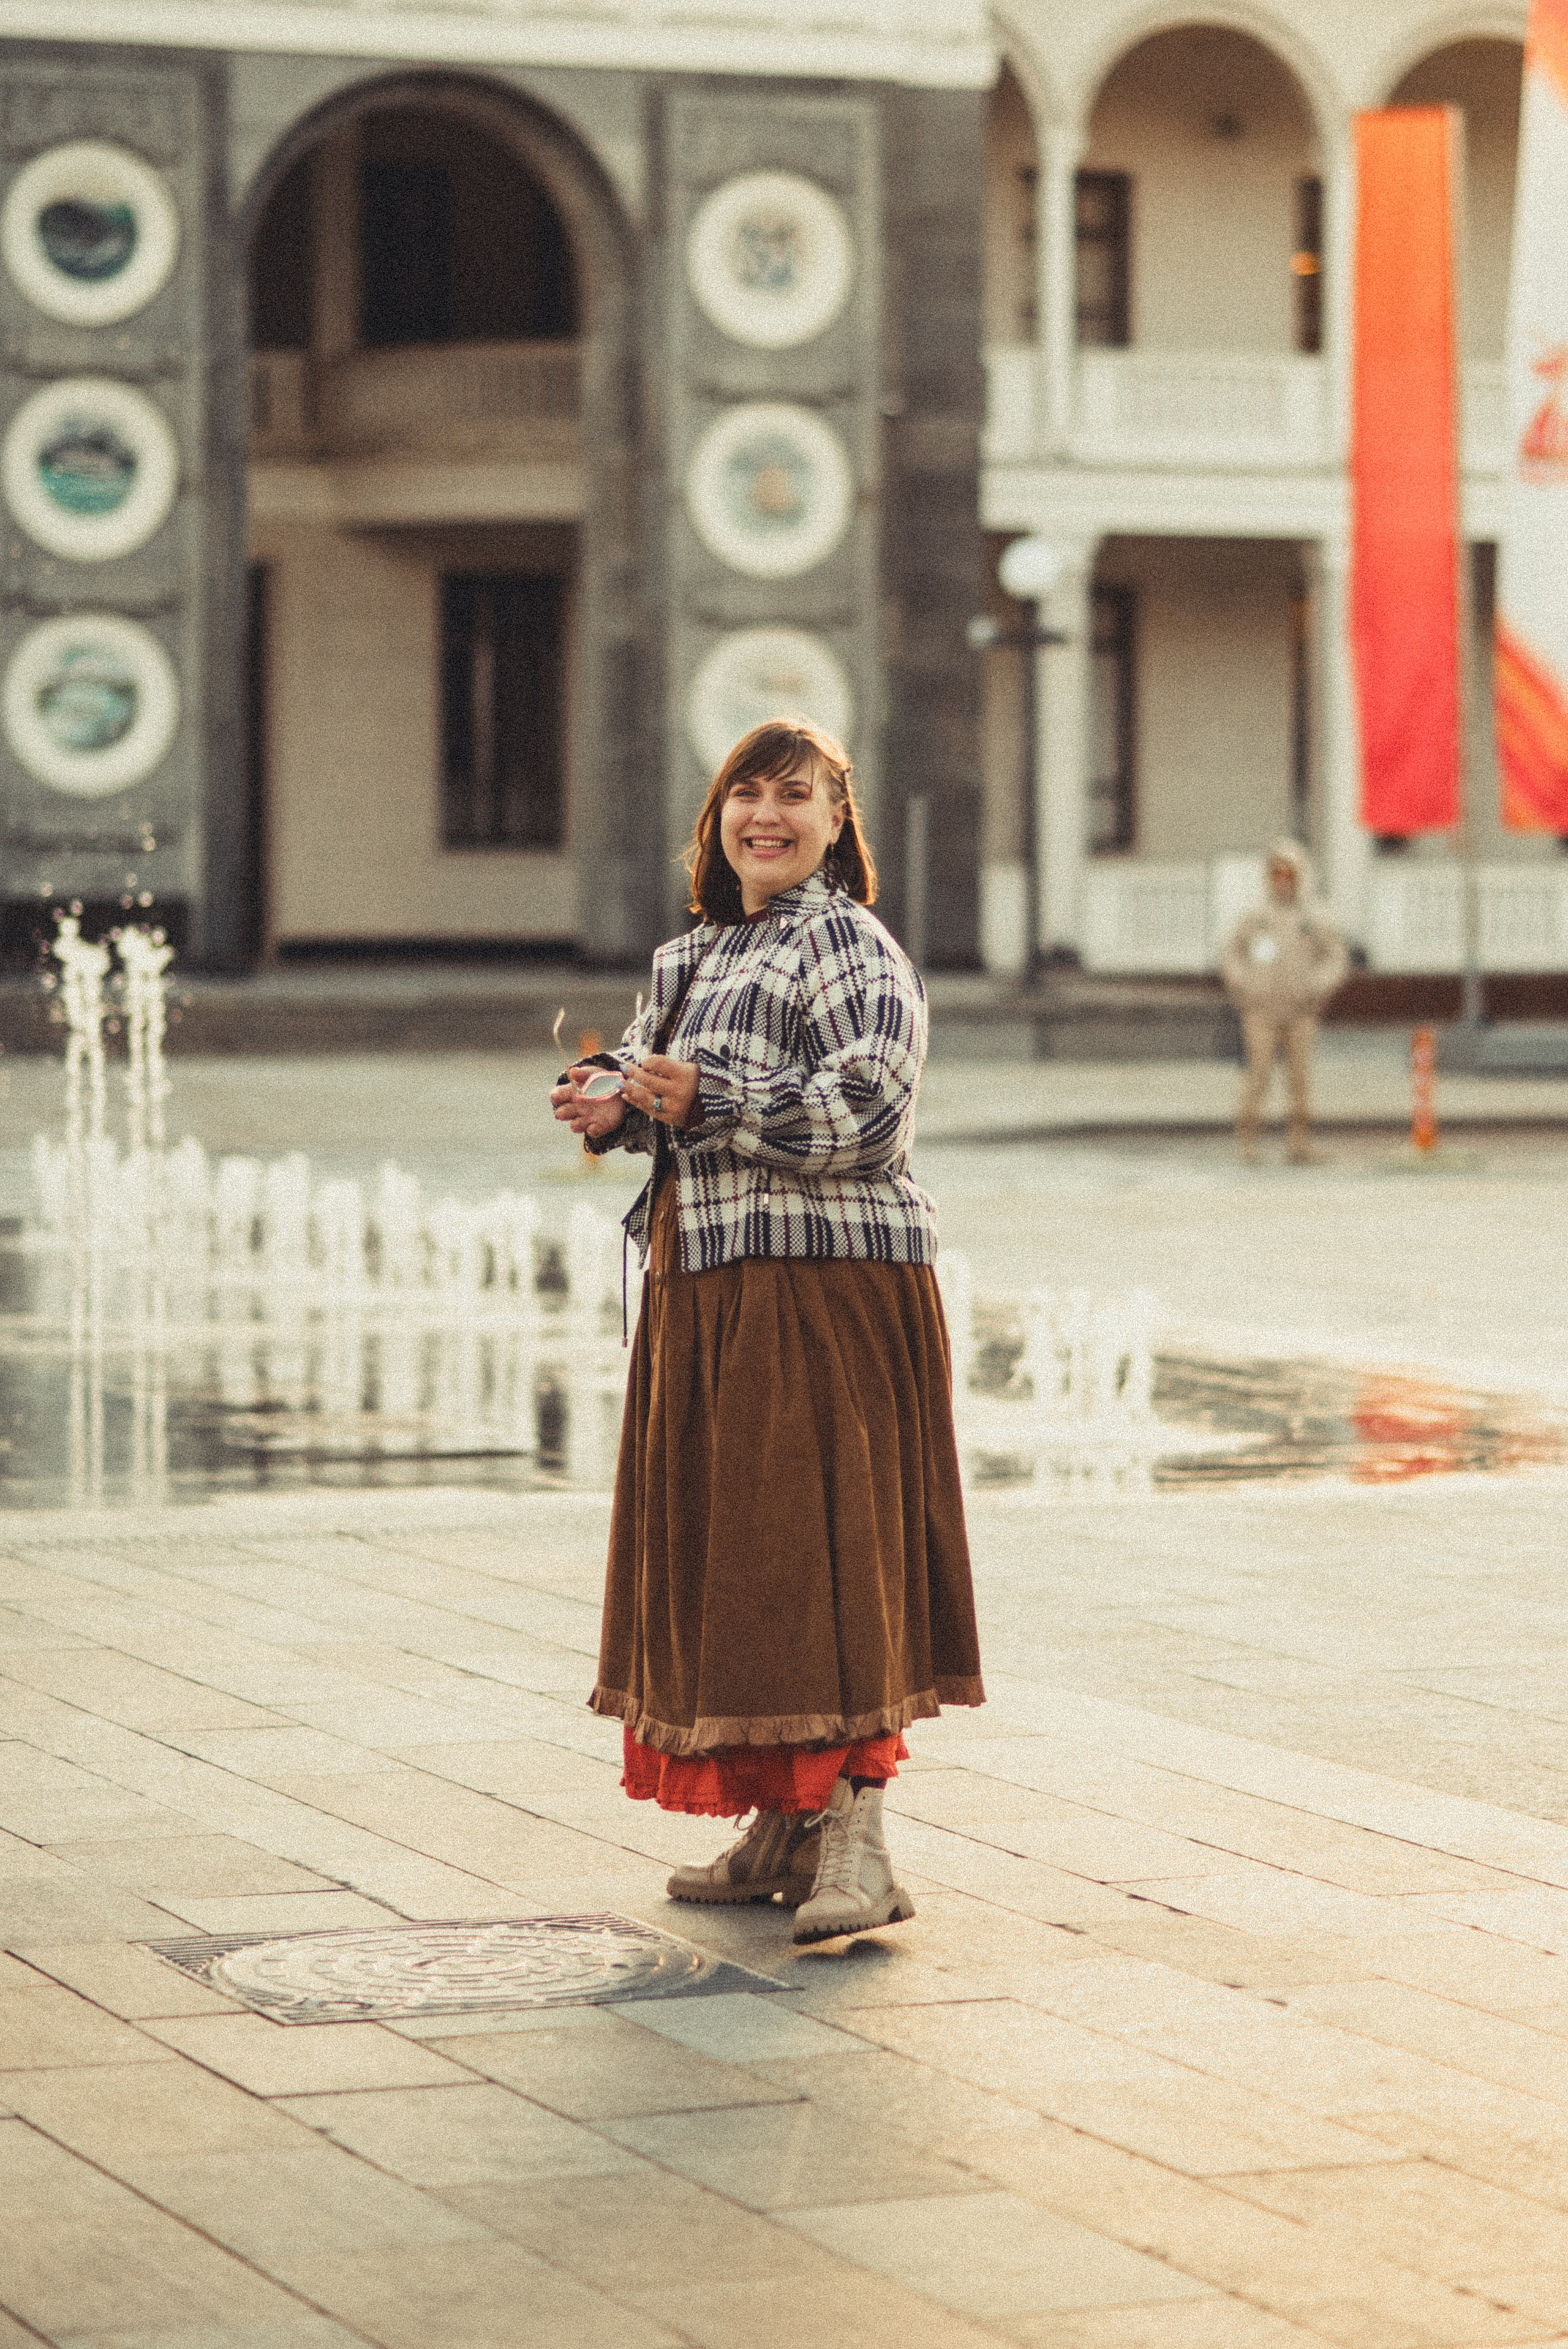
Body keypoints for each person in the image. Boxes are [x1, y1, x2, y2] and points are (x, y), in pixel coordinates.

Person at [551, 720, 984, 1944]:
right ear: (718, 818)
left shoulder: (846, 941)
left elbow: (870, 1113)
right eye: (748, 793)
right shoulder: (687, 956)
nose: (768, 815)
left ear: (838, 823)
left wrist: (715, 1095)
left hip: (828, 1286)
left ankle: (861, 1843)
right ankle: (785, 1827)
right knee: (749, 1567)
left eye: (797, 796)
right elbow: (684, 1109)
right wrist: (621, 1108)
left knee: (835, 1561)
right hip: (709, 1285)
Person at [1221, 838, 1348, 1165]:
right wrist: (1243, 984)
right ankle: (1248, 1140)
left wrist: (1316, 986)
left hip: (1300, 1011)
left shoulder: (1314, 918)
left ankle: (1299, 1143)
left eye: (1288, 874)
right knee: (1259, 1074)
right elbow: (1232, 953)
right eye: (1276, 874)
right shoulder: (1255, 917)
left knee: (1299, 1080)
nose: (1282, 881)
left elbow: (1335, 958)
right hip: (1261, 1010)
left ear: (1299, 876)